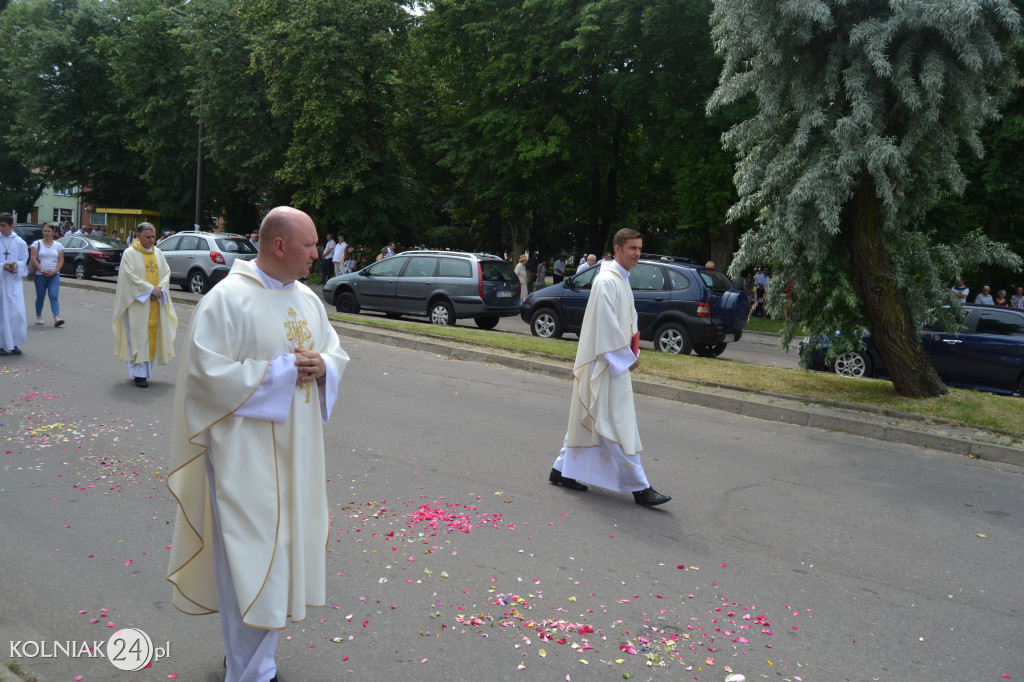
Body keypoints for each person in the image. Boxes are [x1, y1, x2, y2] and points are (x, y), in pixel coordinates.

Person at [166, 206, 348, 682]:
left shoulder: (307, 300)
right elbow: (205, 377)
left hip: (298, 456)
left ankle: (253, 662)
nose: (318, 253)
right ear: (279, 246)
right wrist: (285, 371)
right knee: (248, 560)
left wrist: (323, 367)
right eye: (310, 245)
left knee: (282, 554)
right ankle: (250, 671)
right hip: (242, 460)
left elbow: (334, 349)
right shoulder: (226, 300)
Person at [548, 228, 671, 507]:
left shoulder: (621, 279)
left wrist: (634, 348)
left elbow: (629, 320)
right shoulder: (607, 281)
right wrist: (628, 357)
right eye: (632, 248)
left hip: (612, 362)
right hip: (604, 365)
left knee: (593, 417)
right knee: (618, 423)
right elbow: (606, 328)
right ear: (617, 249)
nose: (637, 253)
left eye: (640, 248)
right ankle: (640, 488)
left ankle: (560, 470)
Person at [112, 222, 178, 388]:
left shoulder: (159, 253)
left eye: (154, 237)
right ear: (138, 236)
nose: (152, 240)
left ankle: (145, 372)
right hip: (137, 303)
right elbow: (129, 277)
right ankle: (138, 373)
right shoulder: (130, 254)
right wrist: (150, 290)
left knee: (152, 337)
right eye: (148, 237)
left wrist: (160, 290)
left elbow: (166, 273)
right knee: (138, 336)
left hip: (155, 302)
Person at [0, 213, 29, 356]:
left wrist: (16, 265)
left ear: (11, 226)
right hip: (1, 281)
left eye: (3, 225)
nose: (0, 228)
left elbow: (24, 260)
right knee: (1, 313)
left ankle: (14, 343)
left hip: (13, 283)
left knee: (16, 313)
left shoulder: (20, 242)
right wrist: (2, 266)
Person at [30, 223, 65, 327]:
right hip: (40, 274)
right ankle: (39, 316)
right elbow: (33, 258)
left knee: (53, 296)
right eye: (45, 231)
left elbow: (61, 260)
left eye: (49, 231)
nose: (46, 233)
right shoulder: (36, 244)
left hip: (54, 275)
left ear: (53, 233)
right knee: (40, 296)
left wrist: (55, 271)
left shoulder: (58, 245)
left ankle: (57, 318)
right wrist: (41, 270)